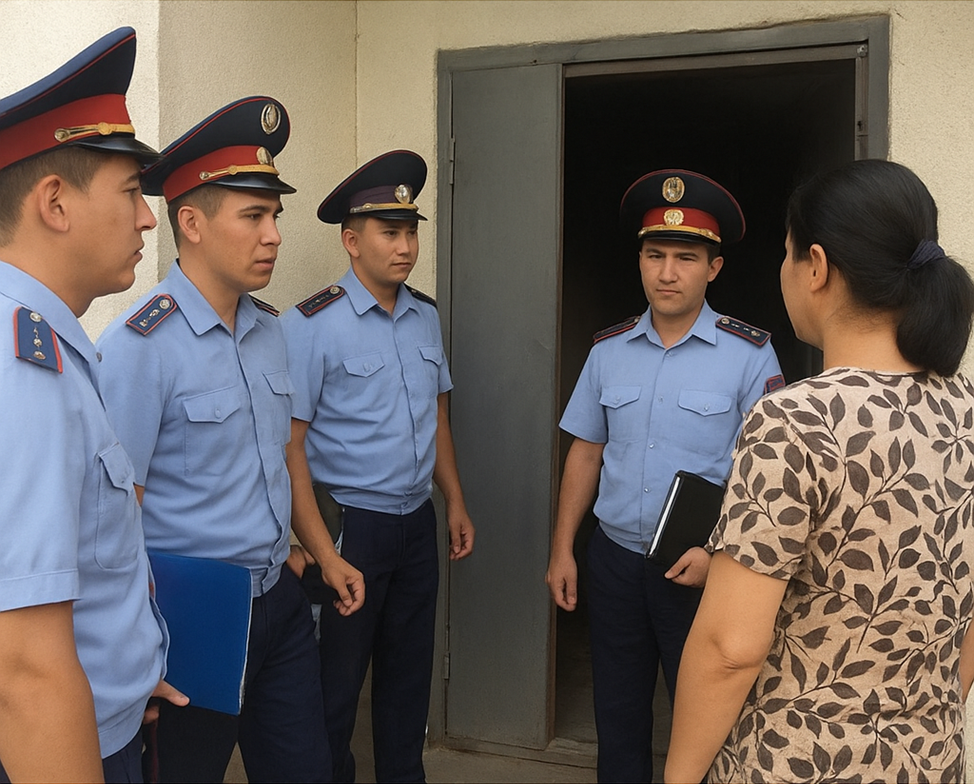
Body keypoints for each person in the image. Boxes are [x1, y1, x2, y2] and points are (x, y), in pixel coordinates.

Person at [665, 159, 974, 783]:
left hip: (794, 762)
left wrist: (678, 778)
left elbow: (730, 648)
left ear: (816, 266)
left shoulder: (795, 420)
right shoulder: (965, 408)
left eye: (786, 254)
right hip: (929, 761)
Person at [96, 97, 362, 783]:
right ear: (191, 223)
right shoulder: (138, 348)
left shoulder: (270, 330)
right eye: (254, 216)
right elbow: (115, 516)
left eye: (276, 216)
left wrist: (323, 554)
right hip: (192, 616)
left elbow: (284, 457)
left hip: (278, 598)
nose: (274, 235)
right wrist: (130, 649)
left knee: (307, 769)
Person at [546, 169, 784, 782]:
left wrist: (718, 551)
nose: (668, 272)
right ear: (640, 261)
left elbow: (765, 476)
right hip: (615, 561)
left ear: (714, 268)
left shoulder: (750, 355)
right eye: (655, 255)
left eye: (686, 257)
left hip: (702, 568)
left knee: (704, 719)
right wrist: (563, 549)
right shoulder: (608, 352)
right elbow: (586, 453)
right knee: (617, 714)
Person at [0, 27, 184, 783]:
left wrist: (123, 681)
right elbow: (25, 671)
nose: (147, 218)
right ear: (55, 203)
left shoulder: (47, 345)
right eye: (132, 191)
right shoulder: (25, 369)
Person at [282, 149, 475, 783]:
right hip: (350, 528)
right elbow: (290, 446)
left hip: (415, 523)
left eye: (411, 232)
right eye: (390, 233)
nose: (406, 247)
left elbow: (436, 417)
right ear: (351, 240)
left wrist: (454, 500)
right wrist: (314, 543)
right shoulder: (310, 325)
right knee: (334, 687)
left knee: (407, 681)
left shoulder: (425, 316)